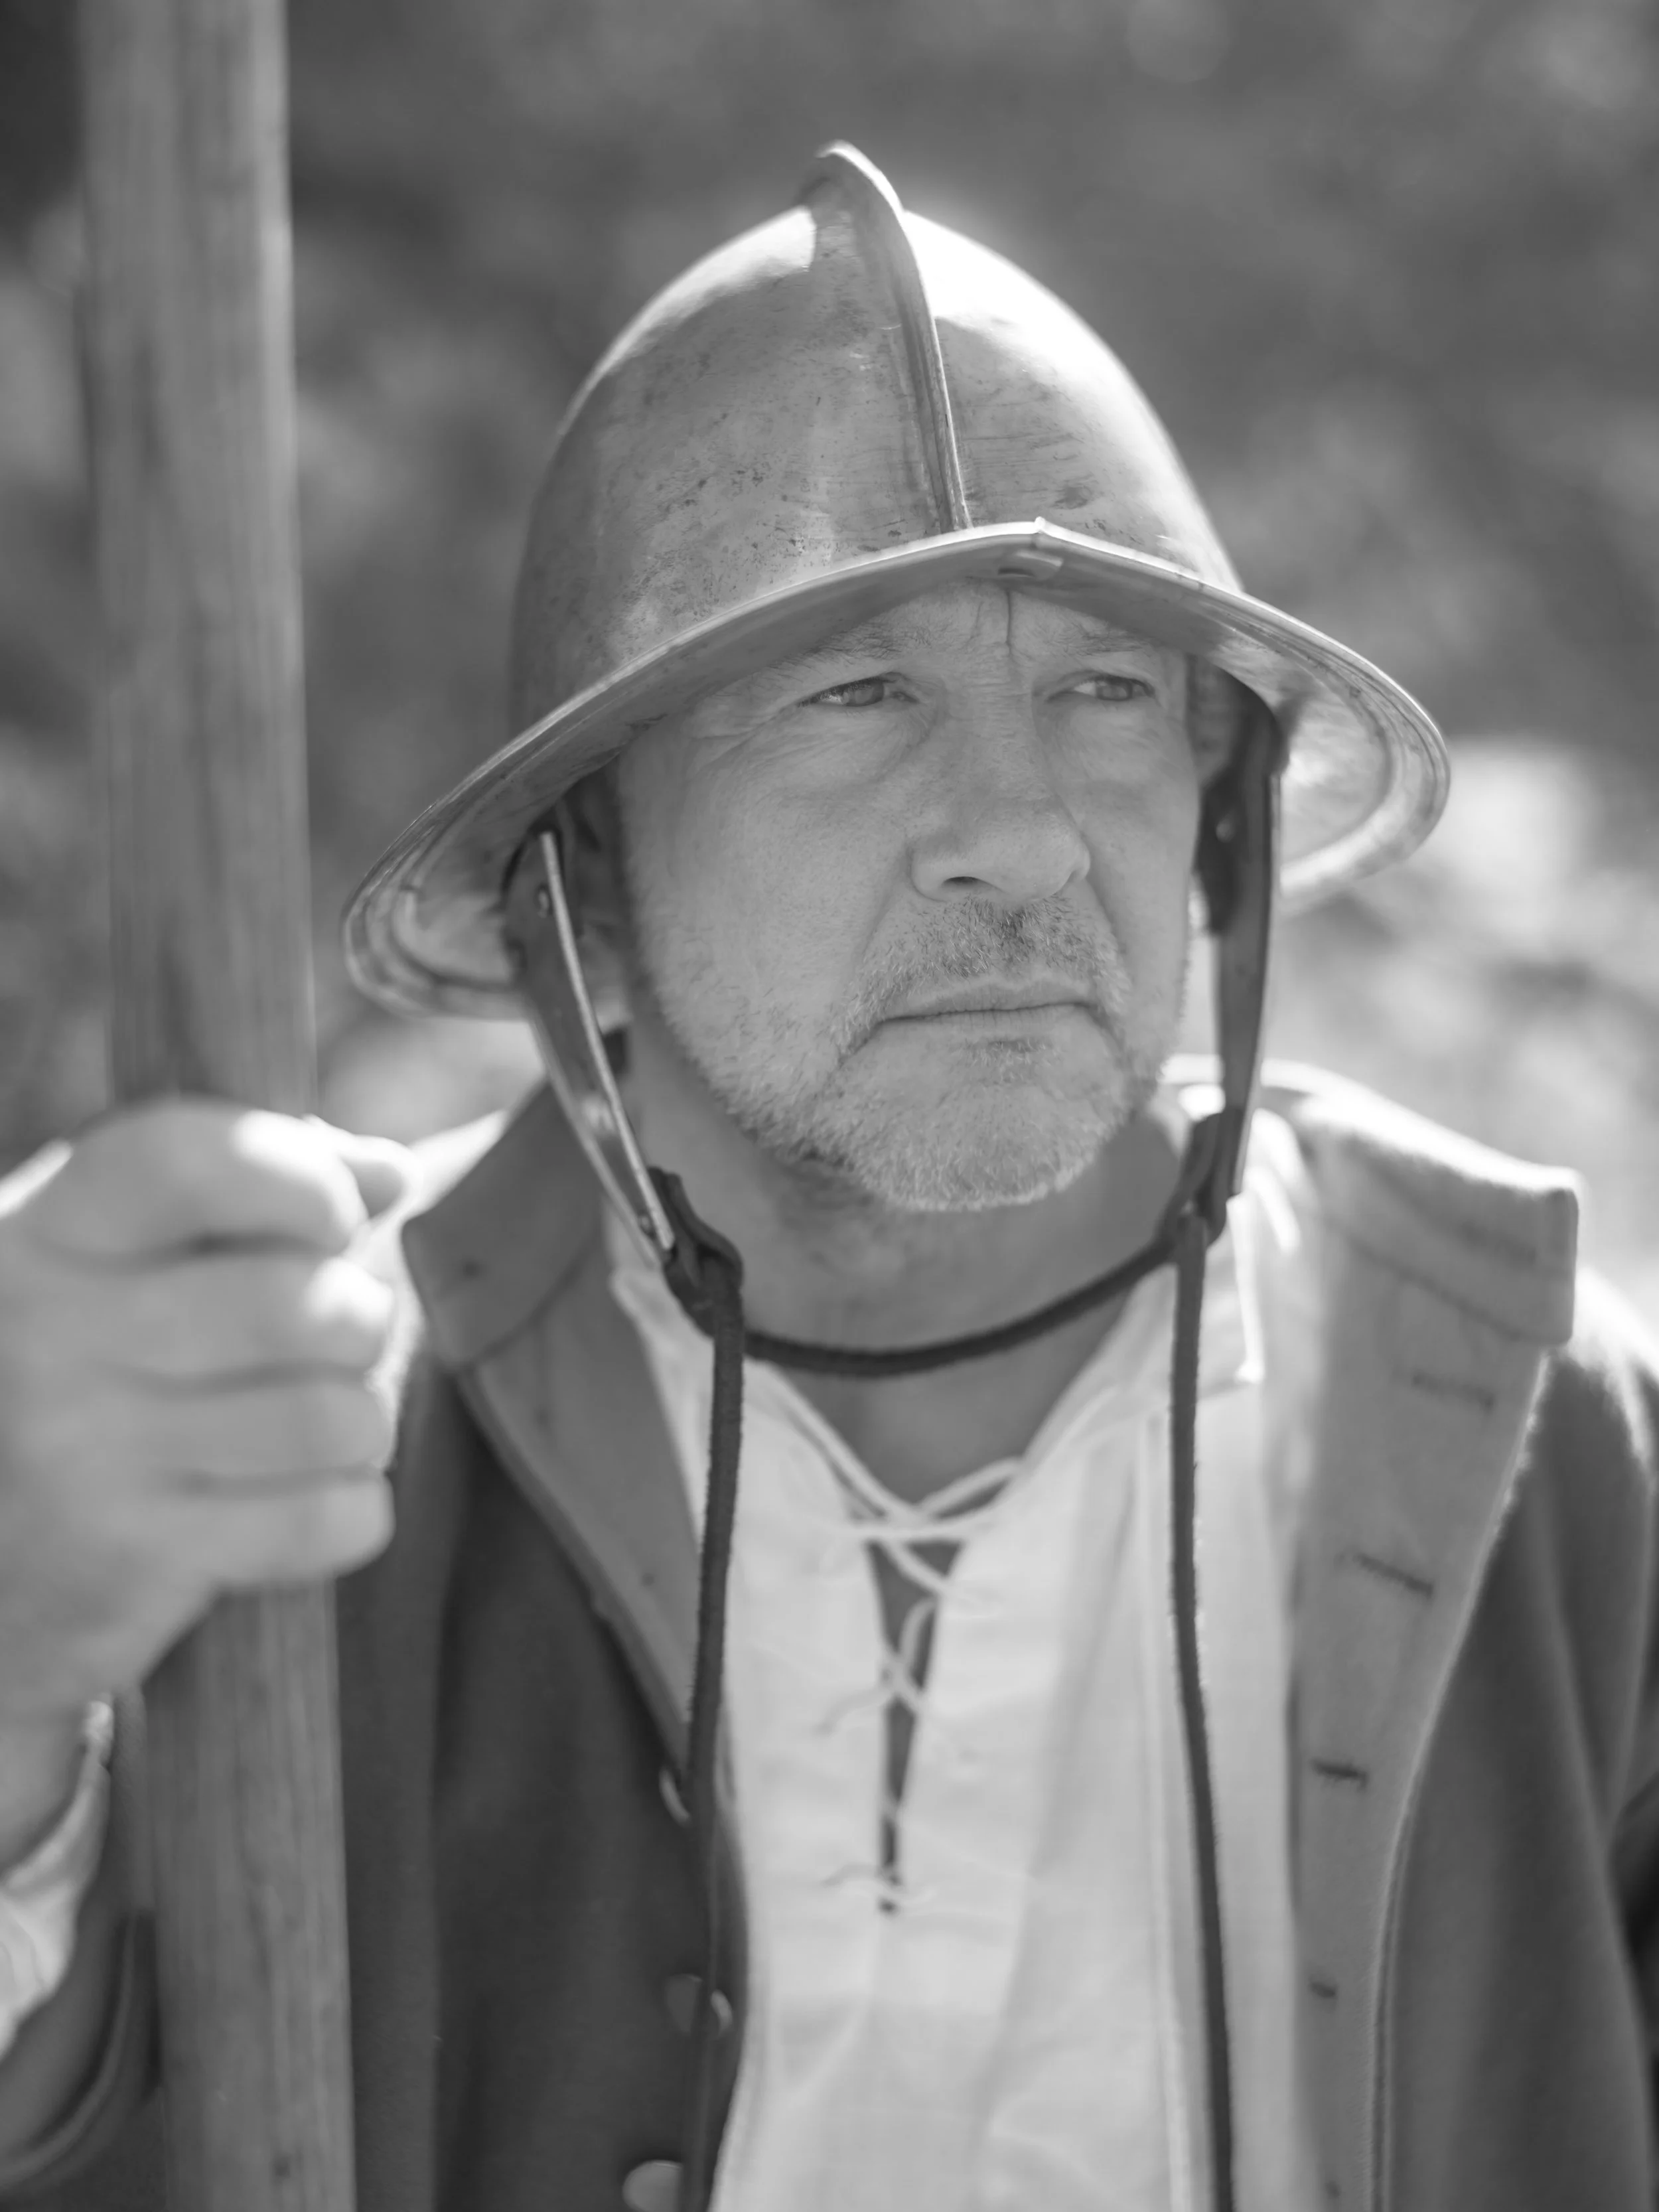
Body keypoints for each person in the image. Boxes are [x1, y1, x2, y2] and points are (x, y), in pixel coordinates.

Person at [0, 144, 1653, 2212]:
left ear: (1221, 820)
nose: (1023, 835)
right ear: (580, 875)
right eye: (859, 697)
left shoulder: (1553, 1444)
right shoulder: (287, 1441)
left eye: (1106, 693)